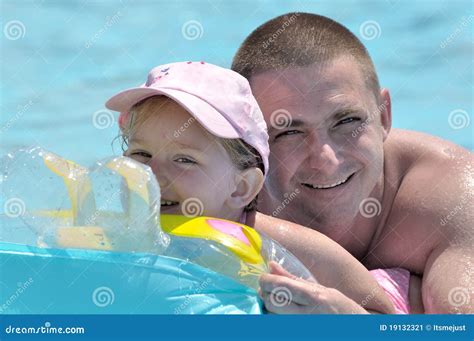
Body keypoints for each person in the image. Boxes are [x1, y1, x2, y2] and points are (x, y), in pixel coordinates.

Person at [105, 61, 397, 314]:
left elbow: (384, 318)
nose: (152, 173)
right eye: (140, 154)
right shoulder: (115, 233)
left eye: (184, 159)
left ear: (241, 188)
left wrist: (334, 314)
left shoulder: (282, 247)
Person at [231, 12, 473, 314]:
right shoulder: (221, 191)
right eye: (289, 131)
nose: (325, 159)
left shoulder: (451, 197)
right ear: (249, 144)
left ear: (383, 116)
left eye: (346, 121)